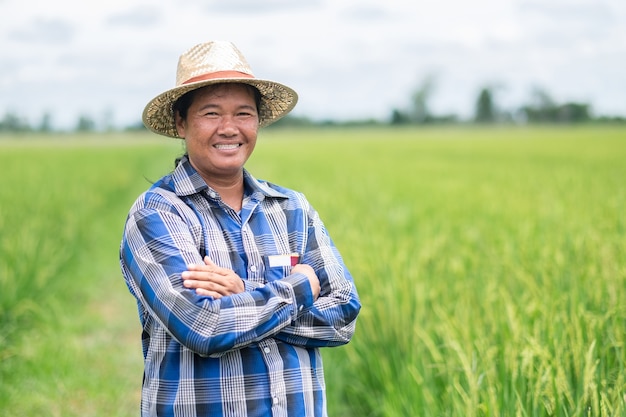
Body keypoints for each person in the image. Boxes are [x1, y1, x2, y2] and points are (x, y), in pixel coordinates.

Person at [119, 40, 361, 417]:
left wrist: (241, 292)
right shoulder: (158, 213)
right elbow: (204, 325)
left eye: (243, 114)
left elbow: (343, 316)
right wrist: (301, 286)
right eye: (211, 113)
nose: (229, 128)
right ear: (182, 122)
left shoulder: (292, 208)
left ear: (258, 122)